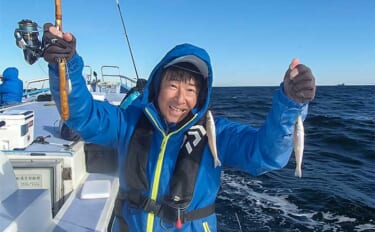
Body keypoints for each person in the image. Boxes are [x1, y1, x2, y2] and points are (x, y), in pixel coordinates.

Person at [42, 23, 316, 231]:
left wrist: (289, 105)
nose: (180, 98)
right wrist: (65, 66)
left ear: (201, 96)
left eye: (191, 89)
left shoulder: (215, 132)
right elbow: (82, 115)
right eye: (173, 85)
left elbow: (265, 155)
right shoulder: (128, 122)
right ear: (157, 86)